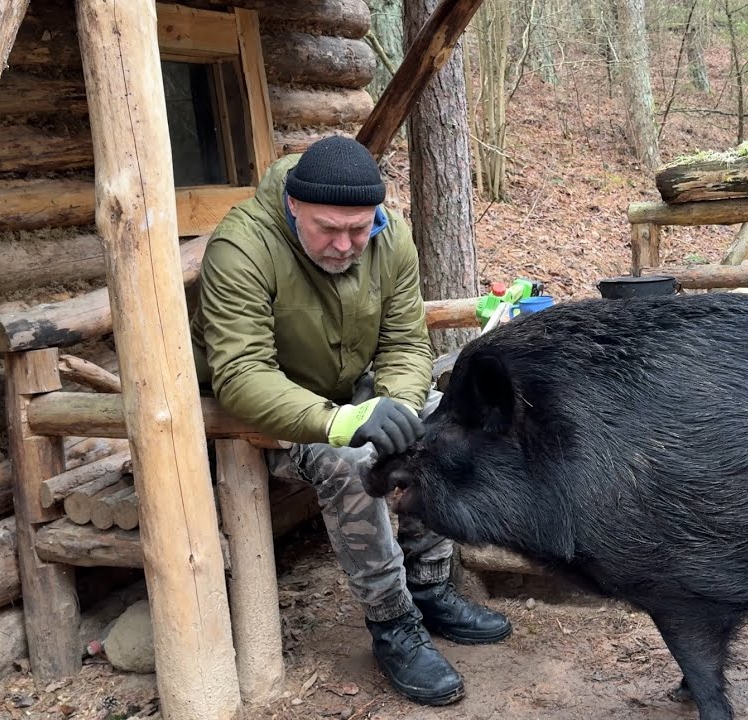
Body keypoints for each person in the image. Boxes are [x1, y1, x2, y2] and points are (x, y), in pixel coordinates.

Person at [190, 135, 511, 706]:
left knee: (444, 428)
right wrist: (344, 423)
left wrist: (400, 407)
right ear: (293, 207)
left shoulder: (392, 237)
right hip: (265, 412)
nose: (345, 245)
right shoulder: (241, 248)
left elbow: (407, 342)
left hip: (353, 392)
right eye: (327, 230)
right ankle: (393, 625)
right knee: (353, 461)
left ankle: (432, 587)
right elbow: (240, 374)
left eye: (358, 230)